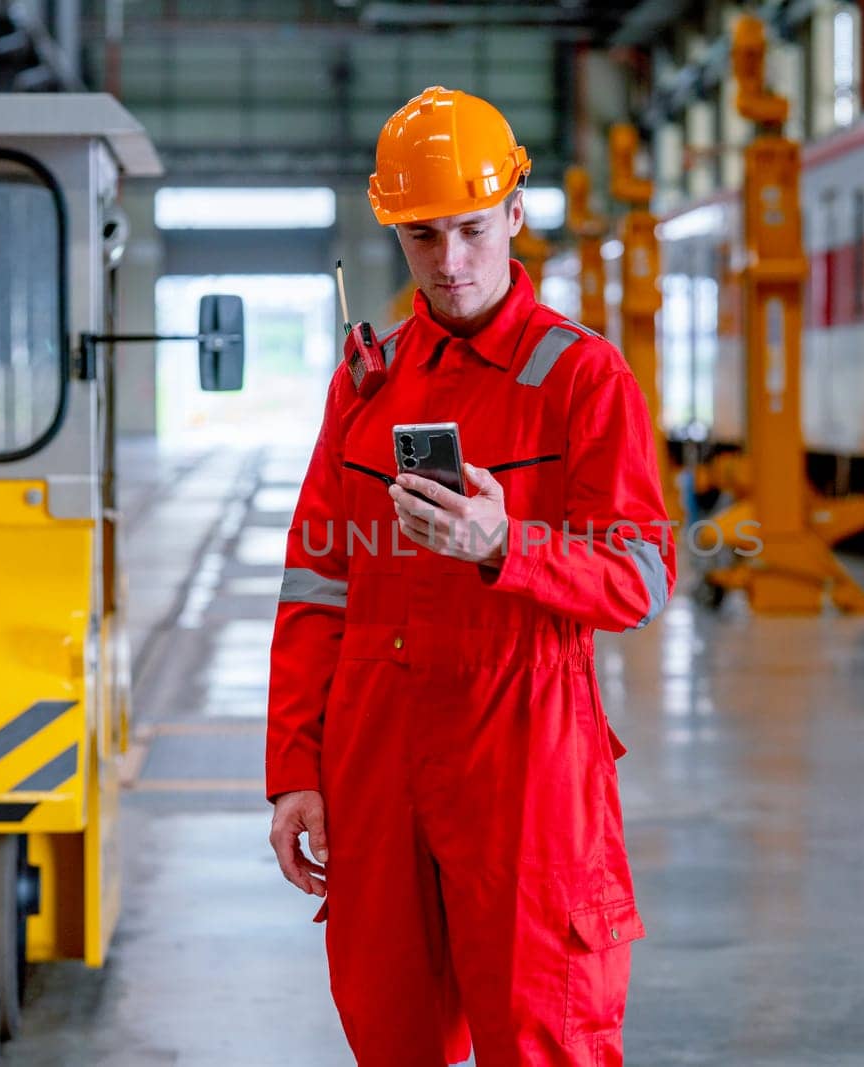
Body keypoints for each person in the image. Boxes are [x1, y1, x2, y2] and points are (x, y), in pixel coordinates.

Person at [266, 85, 675, 1066]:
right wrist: (294, 773)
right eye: (421, 237)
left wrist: (508, 544)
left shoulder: (582, 378)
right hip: (375, 757)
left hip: (523, 763)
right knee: (388, 1028)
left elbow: (642, 575)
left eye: (469, 230)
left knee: (544, 1034)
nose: (448, 263)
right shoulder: (365, 385)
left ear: (515, 215)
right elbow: (316, 583)